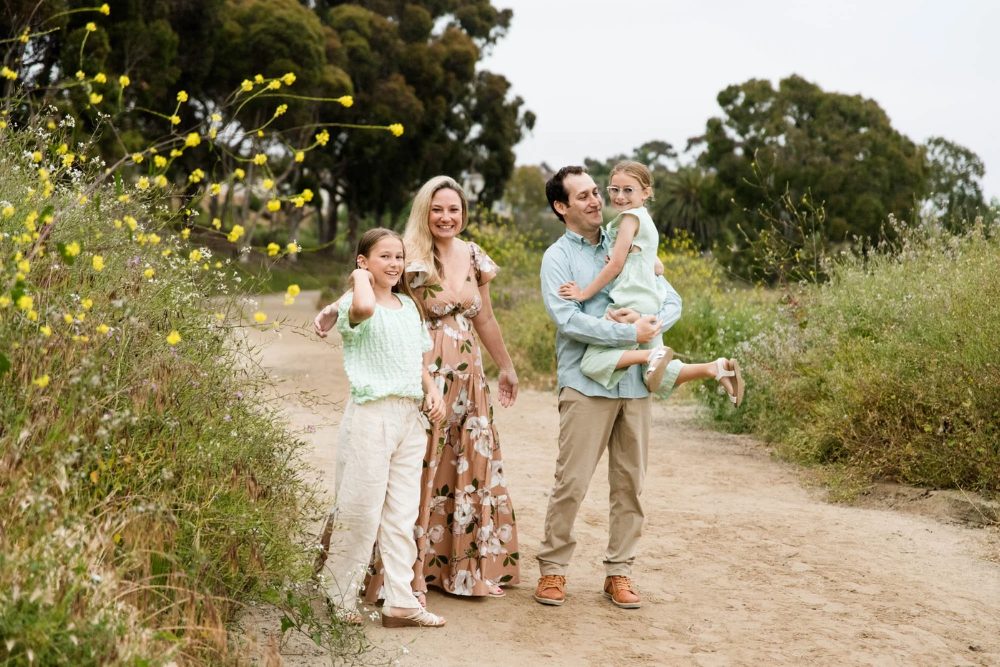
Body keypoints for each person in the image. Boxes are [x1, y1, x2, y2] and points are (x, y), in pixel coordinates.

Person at [318, 177, 521, 602]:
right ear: (423, 212)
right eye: (437, 209)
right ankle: (399, 578)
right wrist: (333, 309)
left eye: (454, 209)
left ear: (464, 213)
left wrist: (506, 366)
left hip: (469, 378)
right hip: (422, 371)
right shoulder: (407, 254)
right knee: (416, 469)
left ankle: (455, 571)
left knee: (463, 464)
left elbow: (484, 317)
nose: (446, 217)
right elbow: (370, 286)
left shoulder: (475, 255)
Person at [534, 165, 680, 610]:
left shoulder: (630, 238)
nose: (597, 200)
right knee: (571, 482)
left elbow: (672, 300)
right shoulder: (557, 258)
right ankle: (553, 570)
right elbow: (568, 320)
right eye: (583, 196)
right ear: (561, 207)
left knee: (630, 484)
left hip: (635, 382)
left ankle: (620, 571)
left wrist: (647, 323)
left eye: (596, 191)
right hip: (585, 383)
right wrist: (625, 333)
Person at [313, 227, 448, 628]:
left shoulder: (409, 306)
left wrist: (433, 392)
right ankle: (339, 594)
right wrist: (359, 278)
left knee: (402, 514)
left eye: (399, 257)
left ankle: (401, 601)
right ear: (364, 261)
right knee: (360, 508)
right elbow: (364, 308)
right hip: (371, 416)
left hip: (409, 416)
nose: (394, 264)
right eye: (384, 256)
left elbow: (417, 362)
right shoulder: (356, 302)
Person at [558, 160, 744, 406]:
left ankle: (650, 354)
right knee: (656, 376)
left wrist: (583, 294)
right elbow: (658, 267)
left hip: (629, 301)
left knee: (592, 362)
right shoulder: (646, 221)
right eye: (614, 189)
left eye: (628, 190)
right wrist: (630, 260)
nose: (619, 196)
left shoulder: (628, 219)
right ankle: (716, 368)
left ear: (646, 193)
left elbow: (615, 266)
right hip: (649, 302)